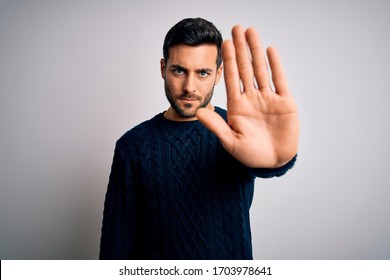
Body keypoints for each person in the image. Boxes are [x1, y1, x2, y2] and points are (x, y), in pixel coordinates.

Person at [99, 18, 299, 260]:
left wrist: (277, 160)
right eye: (179, 70)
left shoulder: (239, 130)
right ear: (163, 69)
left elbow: (262, 160)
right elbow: (116, 248)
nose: (189, 87)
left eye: (203, 72)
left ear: (218, 74)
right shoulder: (132, 146)